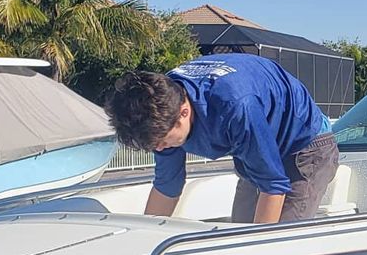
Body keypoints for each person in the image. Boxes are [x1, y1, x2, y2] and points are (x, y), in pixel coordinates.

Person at [105, 53, 339, 224]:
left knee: (279, 245)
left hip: (306, 147)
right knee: (237, 234)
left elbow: (273, 185)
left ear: (183, 112)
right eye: (153, 144)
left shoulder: (234, 106)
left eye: (162, 141)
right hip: (256, 145)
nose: (160, 148)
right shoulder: (158, 105)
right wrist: (147, 239)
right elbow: (168, 185)